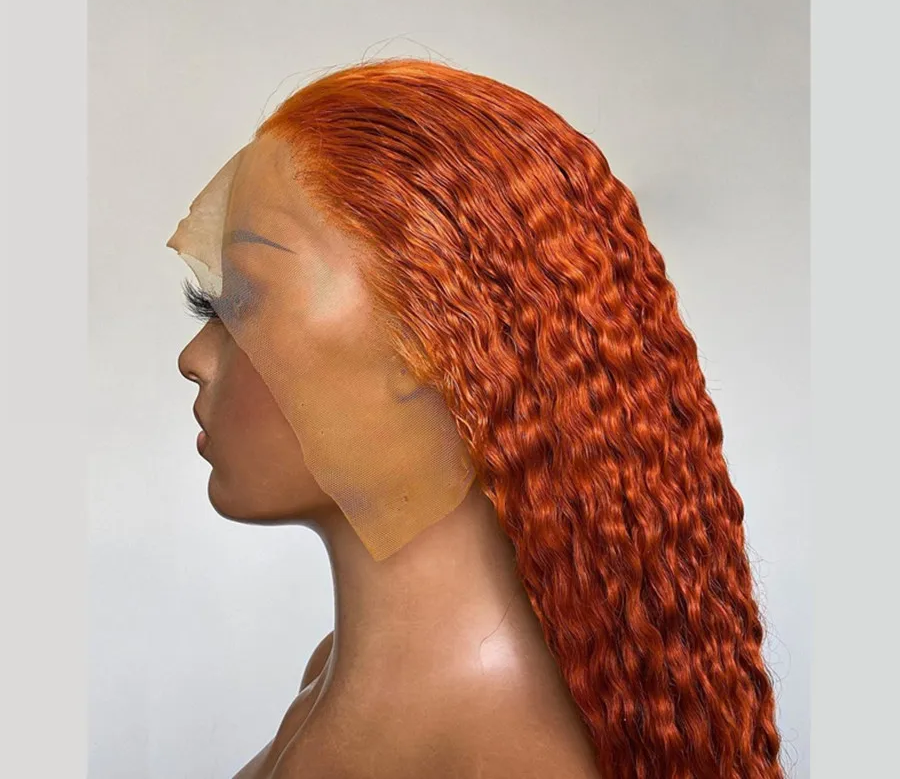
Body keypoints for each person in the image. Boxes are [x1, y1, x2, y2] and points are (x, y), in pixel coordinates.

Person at [169, 58, 785, 779]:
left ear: (430, 340)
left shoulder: (499, 748)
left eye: (243, 302)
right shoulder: (336, 678)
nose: (193, 358)